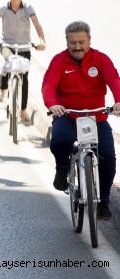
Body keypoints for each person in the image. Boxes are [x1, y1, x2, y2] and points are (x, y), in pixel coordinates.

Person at [42, 21, 120, 221]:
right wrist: (52, 104)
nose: (77, 47)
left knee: (108, 156)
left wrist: (118, 101)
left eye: (82, 42)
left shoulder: (101, 59)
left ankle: (102, 201)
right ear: (67, 42)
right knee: (59, 141)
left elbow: (115, 81)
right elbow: (48, 85)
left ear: (89, 40)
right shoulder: (59, 60)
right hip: (68, 115)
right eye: (73, 42)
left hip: (97, 117)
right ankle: (62, 168)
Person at [0, 0, 46, 125]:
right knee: (9, 62)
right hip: (7, 45)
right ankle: (2, 90)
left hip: (24, 47)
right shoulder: (3, 8)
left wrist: (41, 41)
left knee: (24, 76)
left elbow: (37, 25)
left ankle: (23, 111)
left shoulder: (28, 8)